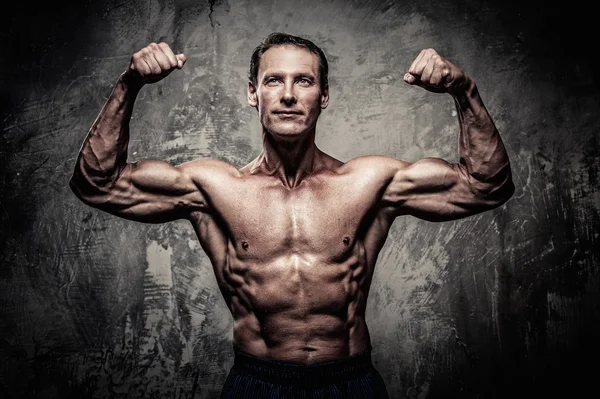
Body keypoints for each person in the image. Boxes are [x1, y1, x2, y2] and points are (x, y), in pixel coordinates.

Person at [70, 32, 514, 398]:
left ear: (324, 97)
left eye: (303, 81)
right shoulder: (213, 188)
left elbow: (485, 185)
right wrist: (129, 84)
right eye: (272, 81)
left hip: (349, 382)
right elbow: (98, 183)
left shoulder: (368, 183)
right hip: (259, 384)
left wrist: (464, 90)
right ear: (252, 94)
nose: (286, 95)